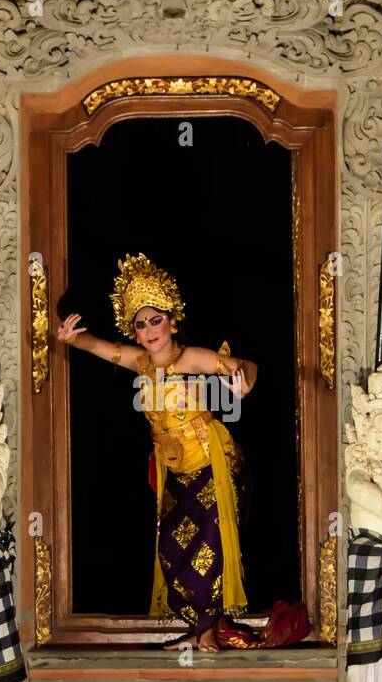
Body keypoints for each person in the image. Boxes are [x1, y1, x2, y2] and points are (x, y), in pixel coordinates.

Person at [57, 253, 305, 653]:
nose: (149, 329)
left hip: (215, 463)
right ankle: (200, 627)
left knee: (209, 547)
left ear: (171, 321)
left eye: (156, 320)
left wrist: (243, 385)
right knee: (173, 549)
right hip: (176, 470)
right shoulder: (139, 362)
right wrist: (71, 339)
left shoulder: (190, 357)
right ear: (134, 332)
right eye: (140, 323)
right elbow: (98, 346)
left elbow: (244, 364)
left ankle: (205, 633)